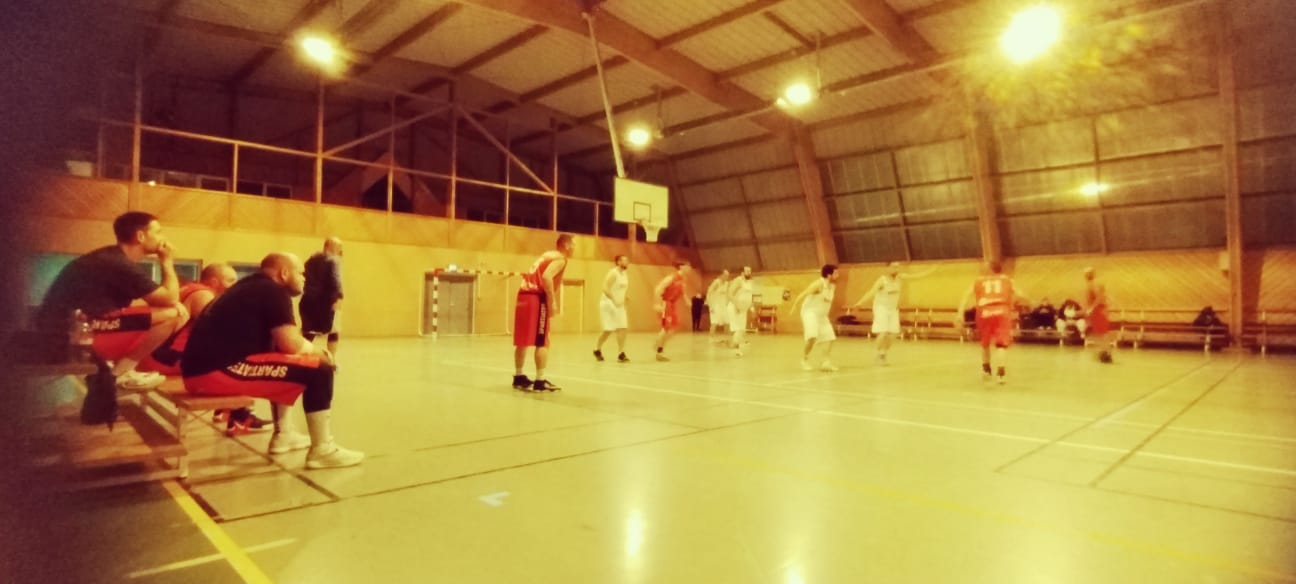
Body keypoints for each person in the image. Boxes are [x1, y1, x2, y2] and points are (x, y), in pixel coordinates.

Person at [181, 253, 363, 469]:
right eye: (300, 273)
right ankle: (323, 450)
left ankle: (284, 434)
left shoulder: (250, 286)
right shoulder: (272, 291)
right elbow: (291, 343)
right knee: (319, 368)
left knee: (285, 358)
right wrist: (322, 353)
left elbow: (282, 346)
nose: (304, 278)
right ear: (284, 273)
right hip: (213, 373)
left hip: (200, 371)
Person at [37, 211, 189, 390]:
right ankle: (120, 373)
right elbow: (170, 298)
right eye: (158, 232)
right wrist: (167, 261)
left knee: (168, 311)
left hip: (66, 329)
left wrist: (167, 302)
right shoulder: (119, 264)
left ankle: (115, 370)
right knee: (174, 315)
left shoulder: (111, 257)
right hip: (69, 336)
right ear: (140, 236)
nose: (163, 237)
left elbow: (146, 302)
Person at [137, 263, 269, 435]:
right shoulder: (204, 295)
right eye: (230, 280)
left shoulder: (187, 289)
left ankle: (224, 410)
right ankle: (240, 418)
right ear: (214, 282)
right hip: (167, 360)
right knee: (240, 359)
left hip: (153, 356)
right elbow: (219, 331)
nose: (235, 285)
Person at [513, 233, 574, 391]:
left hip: (523, 295)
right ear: (567, 246)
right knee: (542, 340)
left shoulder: (546, 255)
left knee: (522, 341)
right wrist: (551, 300)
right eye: (573, 245)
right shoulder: (560, 258)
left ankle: (518, 376)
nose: (574, 248)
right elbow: (547, 277)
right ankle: (540, 380)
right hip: (536, 297)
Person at [958, 261, 1030, 384]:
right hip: (1002, 311)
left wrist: (960, 312)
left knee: (985, 343)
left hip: (984, 311)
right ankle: (1001, 374)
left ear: (989, 269)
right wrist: (1027, 302)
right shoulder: (1007, 280)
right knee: (1001, 345)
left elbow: (966, 295)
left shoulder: (979, 280)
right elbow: (1020, 294)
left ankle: (986, 370)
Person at [852, 261, 936, 365]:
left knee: (894, 333)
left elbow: (917, 276)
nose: (896, 269)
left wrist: (932, 270)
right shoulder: (882, 280)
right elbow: (871, 292)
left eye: (897, 267)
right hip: (881, 308)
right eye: (893, 267)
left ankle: (883, 354)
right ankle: (876, 353)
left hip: (893, 309)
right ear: (887, 268)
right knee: (883, 332)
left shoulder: (900, 278)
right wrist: (859, 303)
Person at [790, 264, 841, 372]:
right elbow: (803, 294)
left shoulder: (832, 286)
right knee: (812, 336)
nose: (838, 275)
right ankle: (804, 359)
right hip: (810, 313)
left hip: (822, 315)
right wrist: (794, 306)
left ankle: (825, 363)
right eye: (836, 273)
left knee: (829, 337)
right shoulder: (818, 284)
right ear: (829, 275)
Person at [300, 236, 344, 359]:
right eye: (339, 247)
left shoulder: (310, 260)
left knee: (309, 331)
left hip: (308, 301)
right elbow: (336, 279)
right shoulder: (333, 260)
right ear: (331, 246)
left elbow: (303, 276)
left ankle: (301, 358)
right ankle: (332, 360)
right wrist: (339, 297)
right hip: (328, 301)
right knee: (334, 330)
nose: (341, 250)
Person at [594, 254, 630, 363]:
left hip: (619, 305)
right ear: (618, 262)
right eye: (624, 260)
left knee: (622, 328)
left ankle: (621, 353)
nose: (627, 262)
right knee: (608, 330)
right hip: (608, 303)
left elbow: (622, 289)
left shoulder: (625, 274)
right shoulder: (613, 273)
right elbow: (605, 288)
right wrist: (614, 300)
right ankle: (597, 349)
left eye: (627, 260)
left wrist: (625, 298)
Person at [652, 260, 691, 361]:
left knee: (673, 329)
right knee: (666, 328)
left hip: (673, 305)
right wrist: (657, 303)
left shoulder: (683, 279)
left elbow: (683, 292)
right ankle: (658, 349)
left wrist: (687, 300)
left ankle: (658, 345)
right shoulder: (671, 277)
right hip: (666, 303)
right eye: (687, 266)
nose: (689, 268)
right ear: (681, 267)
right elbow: (658, 289)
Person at [1084, 267, 1116, 363]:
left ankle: (1106, 353)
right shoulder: (1091, 285)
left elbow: (1099, 298)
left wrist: (1091, 308)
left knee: (1102, 333)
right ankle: (1103, 353)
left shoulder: (1094, 285)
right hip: (1097, 312)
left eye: (1087, 273)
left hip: (1098, 311)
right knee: (1099, 333)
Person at [728, 266, 755, 356]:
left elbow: (750, 296)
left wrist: (752, 307)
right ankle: (736, 349)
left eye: (750, 271)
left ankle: (734, 347)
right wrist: (737, 306)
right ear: (742, 273)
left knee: (741, 329)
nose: (749, 272)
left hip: (743, 308)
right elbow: (730, 293)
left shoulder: (750, 282)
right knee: (738, 329)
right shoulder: (738, 281)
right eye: (747, 271)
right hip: (735, 307)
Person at [706, 269, 731, 339]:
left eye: (728, 276)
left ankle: (727, 339)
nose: (727, 277)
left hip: (723, 305)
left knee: (727, 322)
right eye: (725, 275)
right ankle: (711, 339)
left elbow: (728, 294)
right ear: (721, 275)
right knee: (714, 322)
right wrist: (710, 305)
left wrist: (728, 303)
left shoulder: (727, 284)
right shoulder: (716, 282)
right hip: (715, 305)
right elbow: (709, 293)